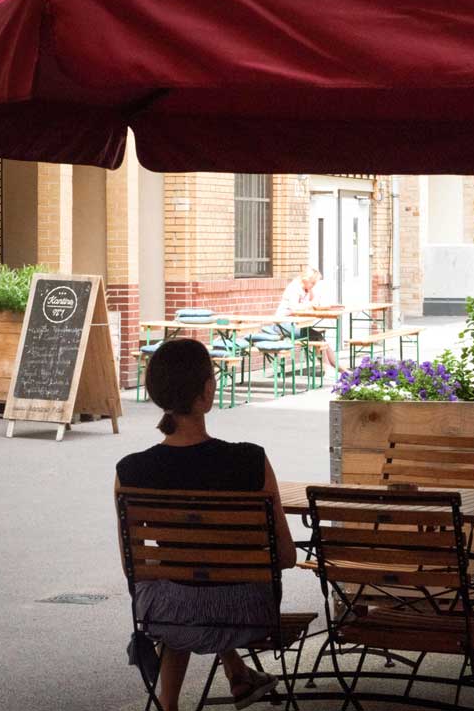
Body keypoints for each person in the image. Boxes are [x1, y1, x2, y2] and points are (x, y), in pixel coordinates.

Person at [115, 338, 296, 711]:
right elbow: (286, 555)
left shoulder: (128, 472)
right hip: (245, 612)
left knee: (182, 587)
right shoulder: (251, 460)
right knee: (204, 585)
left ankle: (179, 701)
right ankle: (238, 674)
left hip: (165, 613)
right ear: (208, 391)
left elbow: (134, 571)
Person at [275, 266, 340, 372]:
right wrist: (311, 303)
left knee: (319, 337)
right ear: (305, 279)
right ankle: (329, 368)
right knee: (316, 337)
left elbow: (314, 302)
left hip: (296, 324)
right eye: (313, 283)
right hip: (284, 324)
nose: (314, 285)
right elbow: (295, 308)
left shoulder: (305, 288)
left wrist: (311, 293)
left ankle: (337, 367)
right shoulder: (294, 289)